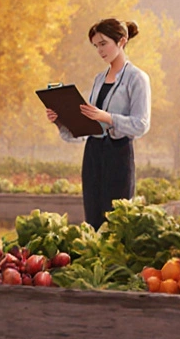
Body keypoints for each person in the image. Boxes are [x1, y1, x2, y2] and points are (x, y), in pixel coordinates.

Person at [45, 18, 152, 230]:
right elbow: (87, 128)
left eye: (103, 43)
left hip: (118, 154)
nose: (100, 50)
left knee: (116, 220)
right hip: (93, 153)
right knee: (93, 218)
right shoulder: (98, 79)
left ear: (121, 41)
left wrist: (107, 117)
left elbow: (141, 124)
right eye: (96, 46)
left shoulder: (137, 78)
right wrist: (61, 121)